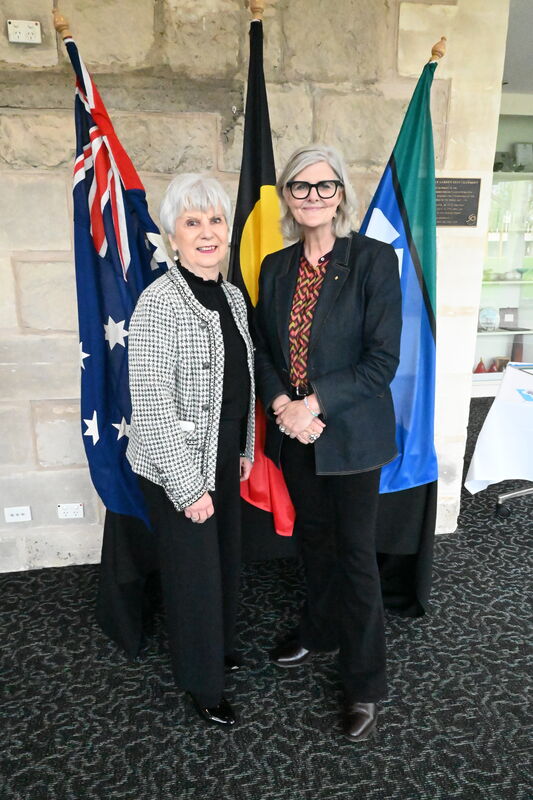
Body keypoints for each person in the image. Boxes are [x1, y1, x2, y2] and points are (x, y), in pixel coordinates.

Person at [254, 144, 402, 741]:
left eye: (324, 186)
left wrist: (313, 404)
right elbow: (261, 351)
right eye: (300, 187)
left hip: (351, 434)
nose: (312, 196)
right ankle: (318, 631)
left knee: (356, 557)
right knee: (313, 541)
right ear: (287, 197)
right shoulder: (274, 266)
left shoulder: (372, 261)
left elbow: (382, 361)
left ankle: (365, 684)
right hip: (295, 434)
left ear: (341, 194)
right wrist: (284, 407)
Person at [126, 173, 255, 727]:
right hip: (176, 462)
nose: (206, 233)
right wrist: (187, 486)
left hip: (224, 454)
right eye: (192, 222)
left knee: (225, 558)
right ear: (172, 237)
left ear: (228, 230)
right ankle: (202, 684)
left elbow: (242, 378)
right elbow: (150, 408)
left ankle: (218, 646)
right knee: (194, 574)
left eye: (215, 220)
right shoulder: (159, 303)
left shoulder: (230, 295)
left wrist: (244, 447)